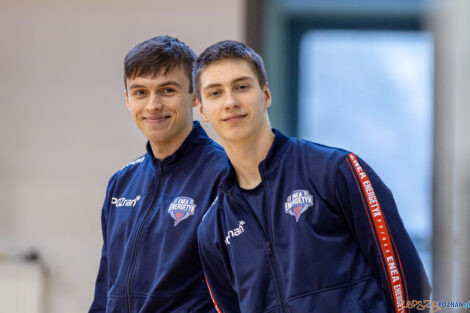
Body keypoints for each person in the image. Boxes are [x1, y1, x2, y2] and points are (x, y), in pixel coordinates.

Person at [194, 40, 431, 313]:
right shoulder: (213, 227)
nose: (230, 102)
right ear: (202, 111)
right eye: (215, 93)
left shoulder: (335, 171)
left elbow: (406, 279)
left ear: (266, 94)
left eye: (242, 87)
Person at [89, 36, 227, 313]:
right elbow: (106, 285)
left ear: (195, 97)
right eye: (140, 92)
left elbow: (243, 284)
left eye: (167, 90)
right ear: (127, 100)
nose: (153, 105)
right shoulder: (121, 183)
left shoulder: (224, 175)